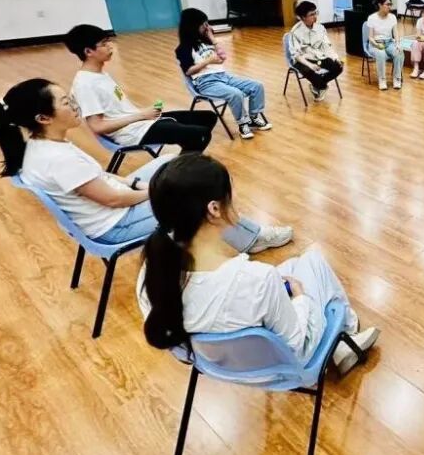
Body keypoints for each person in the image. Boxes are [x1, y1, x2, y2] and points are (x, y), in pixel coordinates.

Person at [137, 153, 380, 374]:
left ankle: (344, 339)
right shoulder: (255, 278)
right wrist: (300, 298)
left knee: (293, 266)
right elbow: (297, 344)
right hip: (284, 364)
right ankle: (346, 337)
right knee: (313, 262)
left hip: (217, 365)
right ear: (214, 209)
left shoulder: (153, 274)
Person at [0, 79, 292, 251]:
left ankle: (236, 231)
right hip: (116, 224)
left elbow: (101, 181)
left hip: (110, 208)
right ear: (43, 118)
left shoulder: (40, 147)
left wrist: (136, 183)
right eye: (66, 102)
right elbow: (113, 200)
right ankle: (252, 238)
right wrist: (155, 190)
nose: (75, 106)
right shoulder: (58, 159)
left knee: (172, 162)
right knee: (199, 193)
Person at [65, 24, 217, 153]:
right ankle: (182, 169)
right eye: (104, 44)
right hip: (130, 133)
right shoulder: (85, 84)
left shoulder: (100, 74)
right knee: (199, 134)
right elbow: (98, 127)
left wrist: (142, 114)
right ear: (88, 51)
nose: (110, 46)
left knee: (207, 117)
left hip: (139, 122)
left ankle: (186, 160)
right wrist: (141, 115)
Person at [176, 8, 271, 140]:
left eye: (207, 23)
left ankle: (254, 117)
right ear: (192, 26)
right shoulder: (183, 48)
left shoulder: (207, 41)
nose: (207, 27)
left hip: (223, 76)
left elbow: (223, 57)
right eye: (203, 24)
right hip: (206, 83)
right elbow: (188, 71)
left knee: (257, 86)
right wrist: (207, 61)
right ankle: (242, 124)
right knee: (235, 94)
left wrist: (212, 38)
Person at [289, 1, 344, 101]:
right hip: (302, 60)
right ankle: (322, 86)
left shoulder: (320, 28)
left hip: (318, 57)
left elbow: (327, 46)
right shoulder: (295, 32)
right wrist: (310, 65)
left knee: (338, 67)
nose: (315, 17)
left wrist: (335, 57)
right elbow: (296, 55)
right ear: (303, 17)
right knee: (308, 70)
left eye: (315, 13)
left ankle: (317, 85)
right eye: (311, 14)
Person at [365, 0, 403, 90]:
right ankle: (382, 80)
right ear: (380, 5)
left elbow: (396, 33)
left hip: (389, 43)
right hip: (376, 44)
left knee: (399, 52)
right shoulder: (372, 18)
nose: (390, 6)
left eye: (390, 4)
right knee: (381, 54)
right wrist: (377, 45)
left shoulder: (392, 17)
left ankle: (397, 79)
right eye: (387, 4)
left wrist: (397, 44)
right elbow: (370, 37)